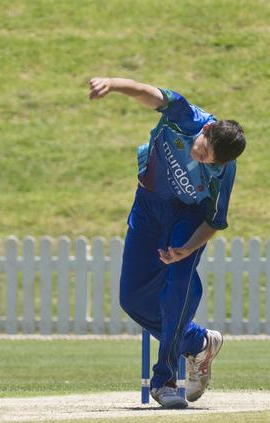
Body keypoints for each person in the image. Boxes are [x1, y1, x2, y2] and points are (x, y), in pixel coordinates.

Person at [88, 77, 246, 409]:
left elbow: (214, 220)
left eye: (210, 161)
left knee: (178, 284)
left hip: (190, 216)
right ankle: (197, 341)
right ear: (205, 131)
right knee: (131, 298)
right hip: (148, 204)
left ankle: (164, 381)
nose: (203, 160)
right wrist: (113, 84)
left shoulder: (223, 170)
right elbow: (150, 94)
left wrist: (188, 248)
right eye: (203, 152)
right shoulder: (188, 116)